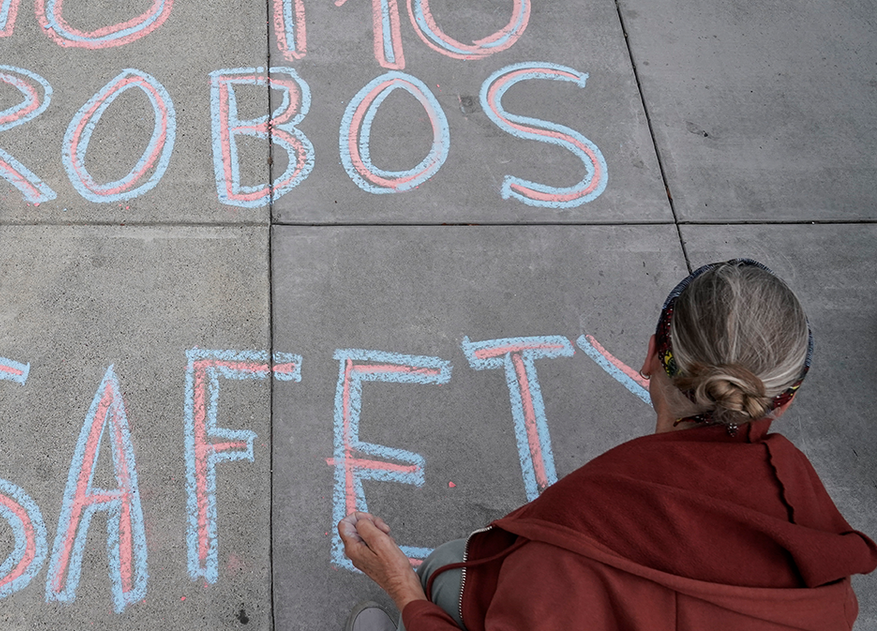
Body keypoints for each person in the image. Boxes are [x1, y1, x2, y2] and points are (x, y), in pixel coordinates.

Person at [338, 259, 877, 631]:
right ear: (782, 402)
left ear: (649, 357)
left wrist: (404, 592)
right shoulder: (808, 521)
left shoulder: (576, 546)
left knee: (445, 566)